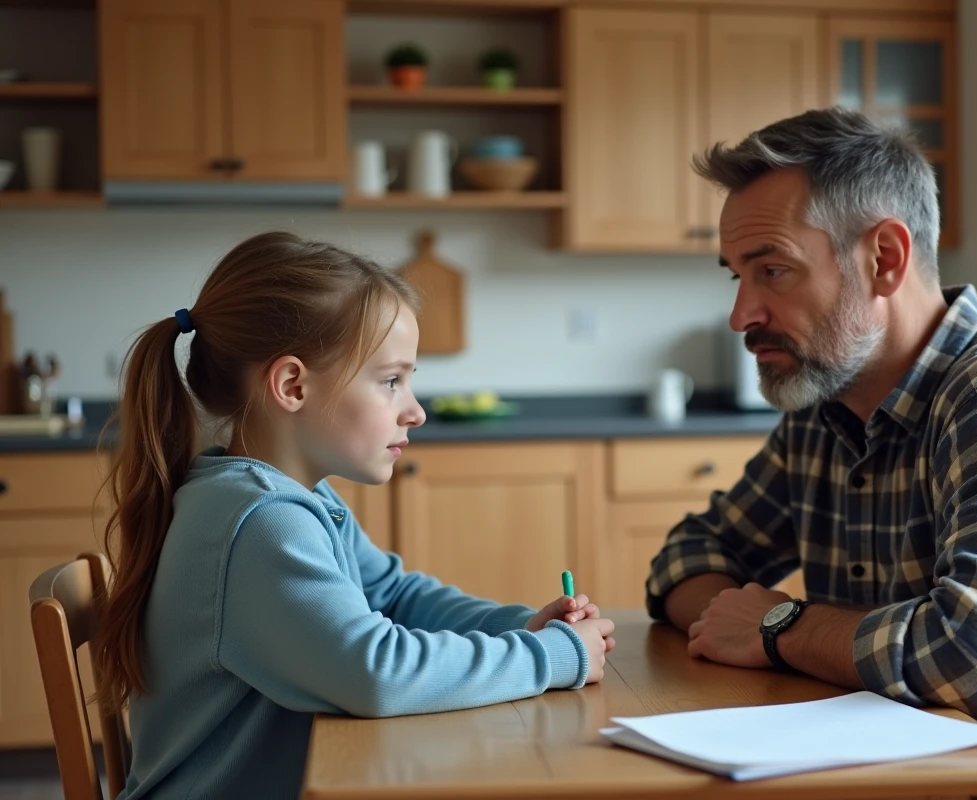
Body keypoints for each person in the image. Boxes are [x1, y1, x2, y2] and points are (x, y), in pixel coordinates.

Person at [646, 108, 977, 799]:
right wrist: (740, 623)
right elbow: (686, 557)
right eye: (737, 276)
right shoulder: (827, 402)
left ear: (884, 259)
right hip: (883, 780)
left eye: (773, 270)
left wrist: (777, 625)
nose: (742, 314)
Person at [93, 231, 615, 800]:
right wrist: (553, 656)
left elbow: (394, 595)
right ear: (292, 385)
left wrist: (520, 627)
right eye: (391, 381)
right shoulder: (260, 522)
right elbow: (376, 674)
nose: (415, 411)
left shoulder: (292, 500)